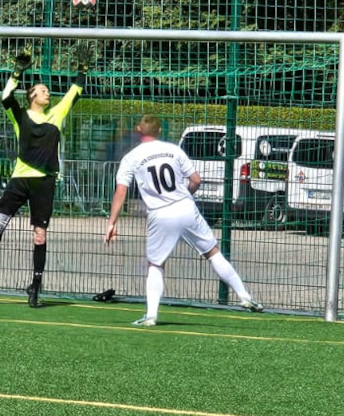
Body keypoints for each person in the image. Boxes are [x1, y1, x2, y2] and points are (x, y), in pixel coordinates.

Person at [104, 114, 263, 327]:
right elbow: (196, 180)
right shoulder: (174, 150)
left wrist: (112, 222)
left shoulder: (131, 157)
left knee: (156, 264)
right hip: (186, 207)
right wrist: (185, 196)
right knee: (212, 253)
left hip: (160, 213)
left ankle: (151, 316)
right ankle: (245, 296)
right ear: (159, 131)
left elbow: (121, 190)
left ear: (138, 130)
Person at [0, 49, 86, 307]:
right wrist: (17, 72)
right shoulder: (20, 116)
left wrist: (83, 69)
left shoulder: (56, 116)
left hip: (44, 182)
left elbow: (74, 91)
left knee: (40, 236)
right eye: (42, 90)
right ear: (32, 96)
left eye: (47, 91)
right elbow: (6, 96)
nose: (47, 93)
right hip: (20, 180)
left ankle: (35, 286)